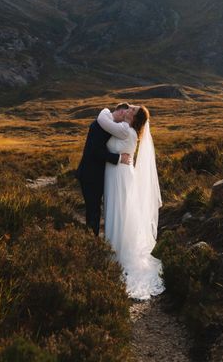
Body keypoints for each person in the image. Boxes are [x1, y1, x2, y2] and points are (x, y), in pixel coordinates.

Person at [97, 105, 165, 300]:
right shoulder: (129, 130)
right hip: (119, 174)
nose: (129, 108)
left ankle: (117, 254)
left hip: (119, 176)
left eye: (133, 110)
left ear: (134, 119)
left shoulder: (125, 130)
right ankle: (115, 249)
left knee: (118, 212)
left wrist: (105, 109)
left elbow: (103, 119)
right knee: (118, 212)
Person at [76, 103, 132, 236]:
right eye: (124, 116)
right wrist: (119, 158)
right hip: (90, 175)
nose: (124, 120)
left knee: (95, 209)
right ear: (119, 112)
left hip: (97, 175)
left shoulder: (107, 124)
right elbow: (96, 151)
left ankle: (92, 240)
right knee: (93, 209)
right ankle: (91, 243)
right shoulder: (101, 125)